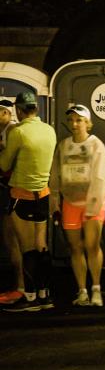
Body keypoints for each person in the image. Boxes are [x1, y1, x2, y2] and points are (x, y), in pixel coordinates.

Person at [49, 105, 105, 307]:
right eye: (71, 120)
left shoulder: (96, 145)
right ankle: (82, 291)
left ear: (87, 122)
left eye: (79, 120)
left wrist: (94, 204)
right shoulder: (64, 145)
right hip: (71, 203)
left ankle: (96, 290)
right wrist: (55, 201)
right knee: (75, 247)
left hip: (93, 202)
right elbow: (55, 174)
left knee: (92, 246)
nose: (74, 124)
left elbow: (101, 175)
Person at [0, 92, 57, 312]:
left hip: (21, 195)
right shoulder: (49, 130)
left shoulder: (19, 132)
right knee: (41, 247)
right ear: (37, 108)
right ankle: (44, 295)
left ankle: (30, 298)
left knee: (27, 250)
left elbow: (4, 165)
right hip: (42, 194)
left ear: (20, 111)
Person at [0, 99, 24, 304]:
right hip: (10, 189)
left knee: (14, 240)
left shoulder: (13, 131)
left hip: (12, 190)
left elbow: (7, 163)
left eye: (2, 112)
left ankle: (21, 287)